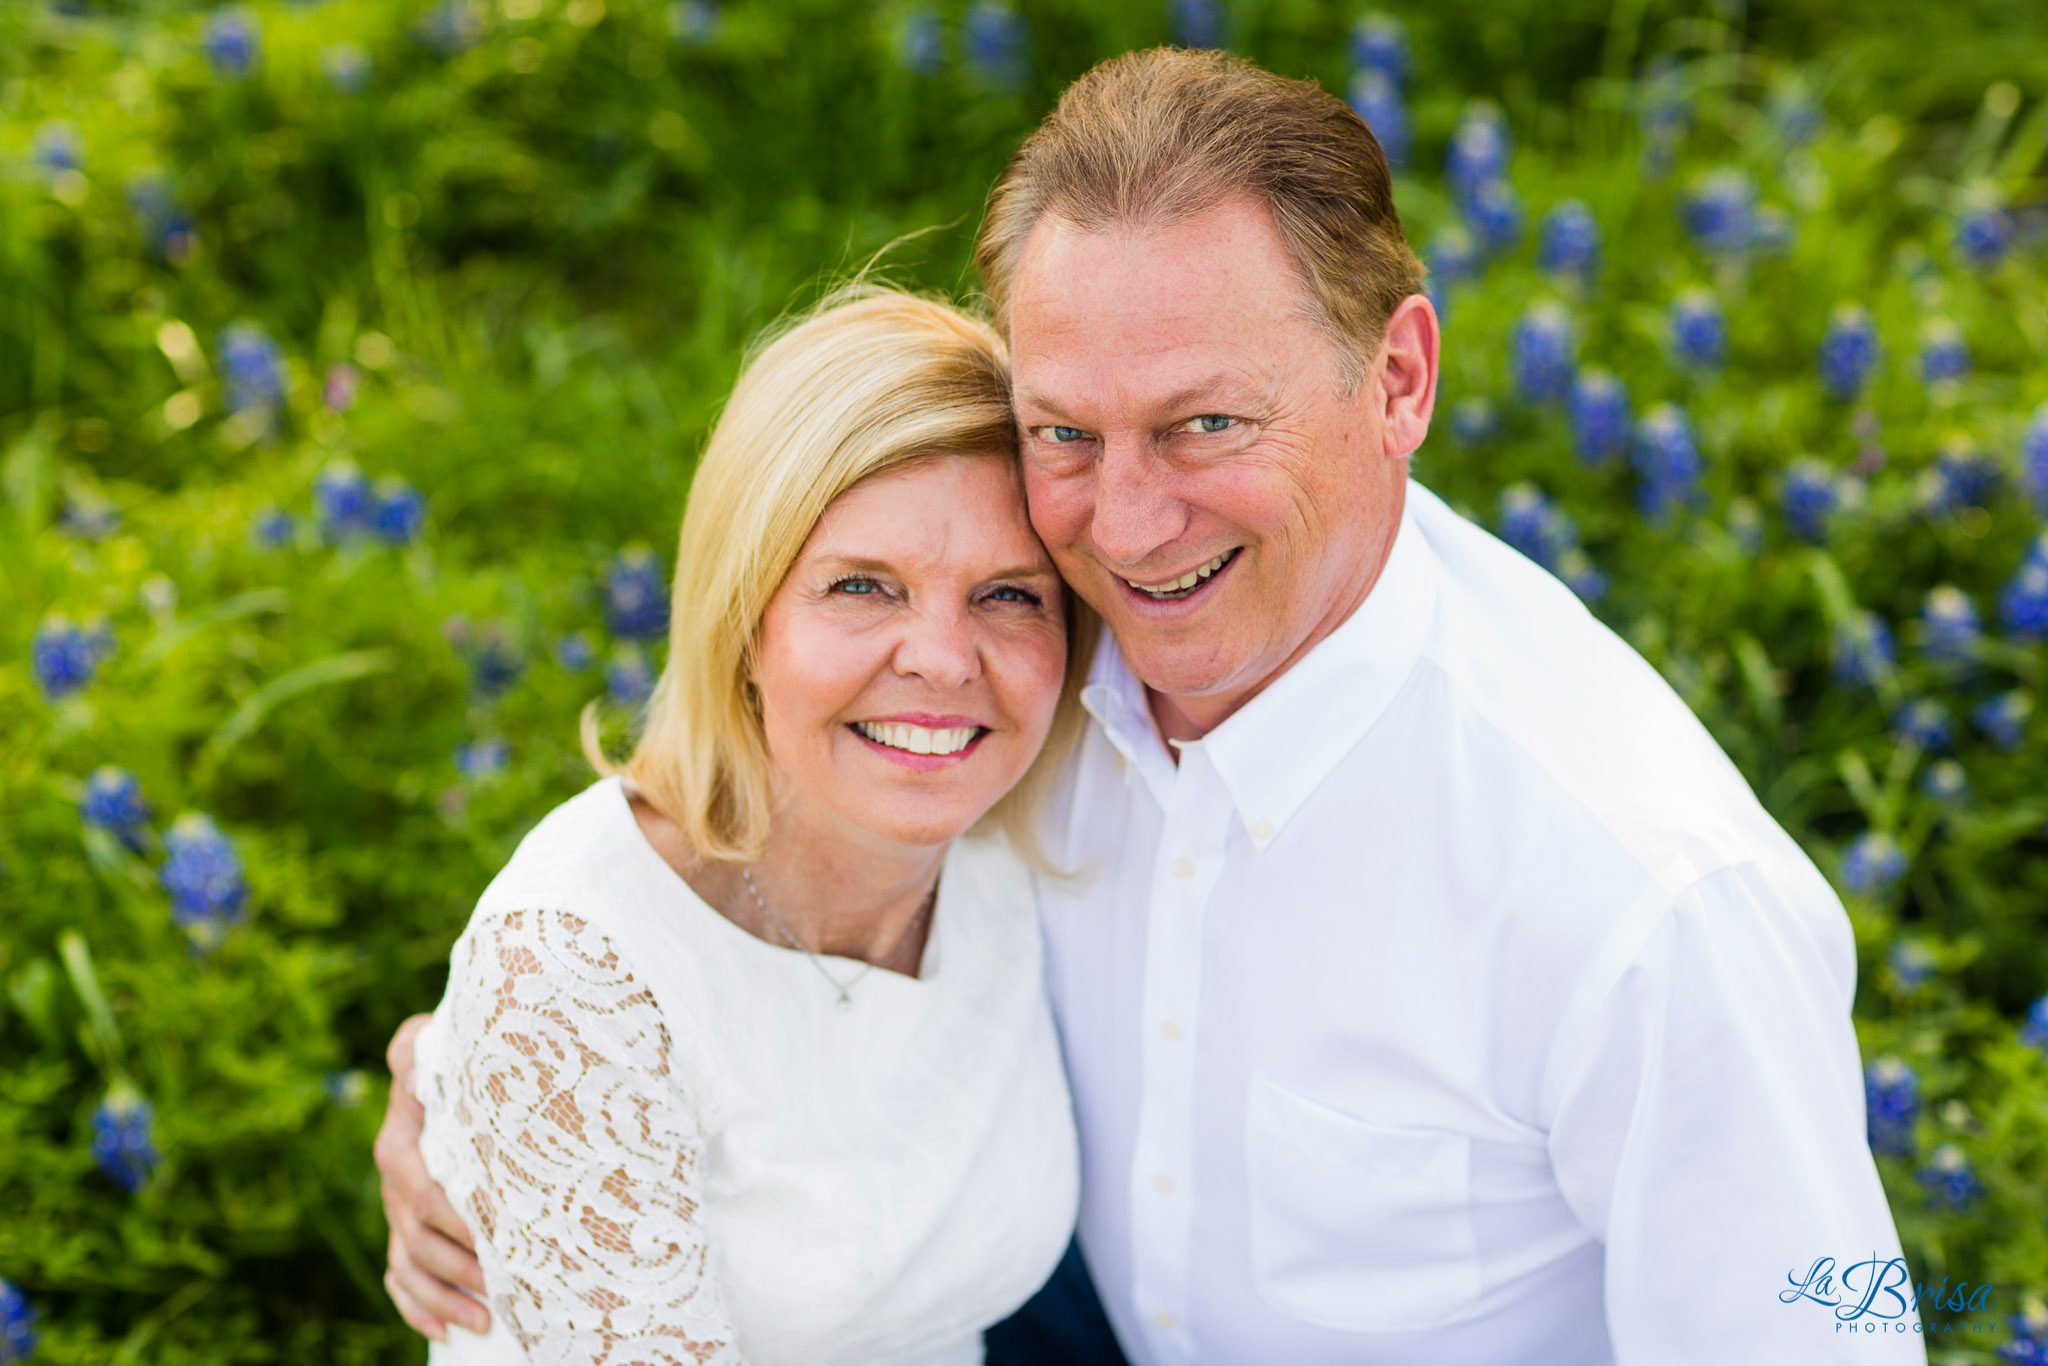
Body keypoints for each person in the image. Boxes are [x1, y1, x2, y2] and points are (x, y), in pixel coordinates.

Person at [383, 48, 1924, 1366]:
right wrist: (492, 1081)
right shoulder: (1028, 689)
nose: (1122, 529)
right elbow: (695, 940)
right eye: (1065, 432)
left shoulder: (1642, 896)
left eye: (1204, 423)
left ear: (1399, 380)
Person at [383, 285, 1100, 1364]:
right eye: (862, 585)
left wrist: (434, 1060)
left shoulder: (1022, 838)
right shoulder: (572, 966)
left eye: (1010, 595)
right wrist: (488, 1064)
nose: (946, 662)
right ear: (743, 620)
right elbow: (571, 995)